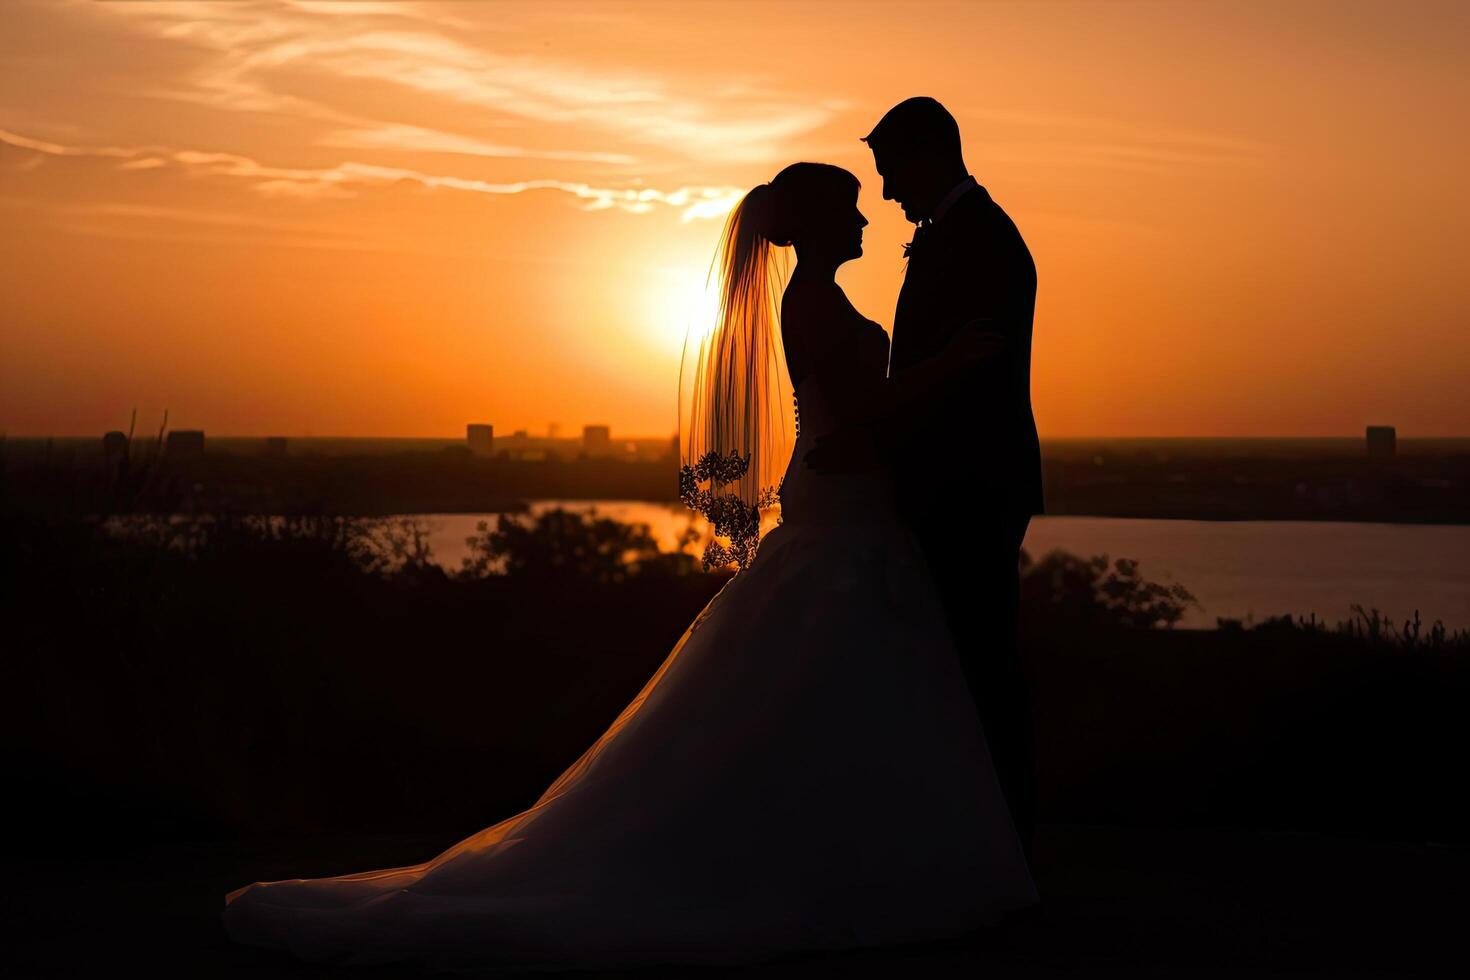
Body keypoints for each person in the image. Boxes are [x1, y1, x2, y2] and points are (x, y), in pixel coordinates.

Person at [221, 162, 1036, 973]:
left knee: (821, 690)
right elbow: (858, 416)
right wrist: (952, 363)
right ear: (818, 223)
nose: (867, 222)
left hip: (848, 503)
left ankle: (838, 853)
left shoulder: (816, 297)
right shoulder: (816, 301)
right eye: (852, 209)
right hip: (843, 507)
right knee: (824, 680)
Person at [806, 98, 1044, 865]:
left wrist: (876, 451)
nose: (883, 196)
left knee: (978, 664)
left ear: (926, 157)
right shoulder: (956, 237)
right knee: (952, 664)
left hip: (967, 487)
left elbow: (970, 387)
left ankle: (1002, 839)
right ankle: (971, 837)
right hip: (946, 487)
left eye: (887, 173)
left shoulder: (982, 241)